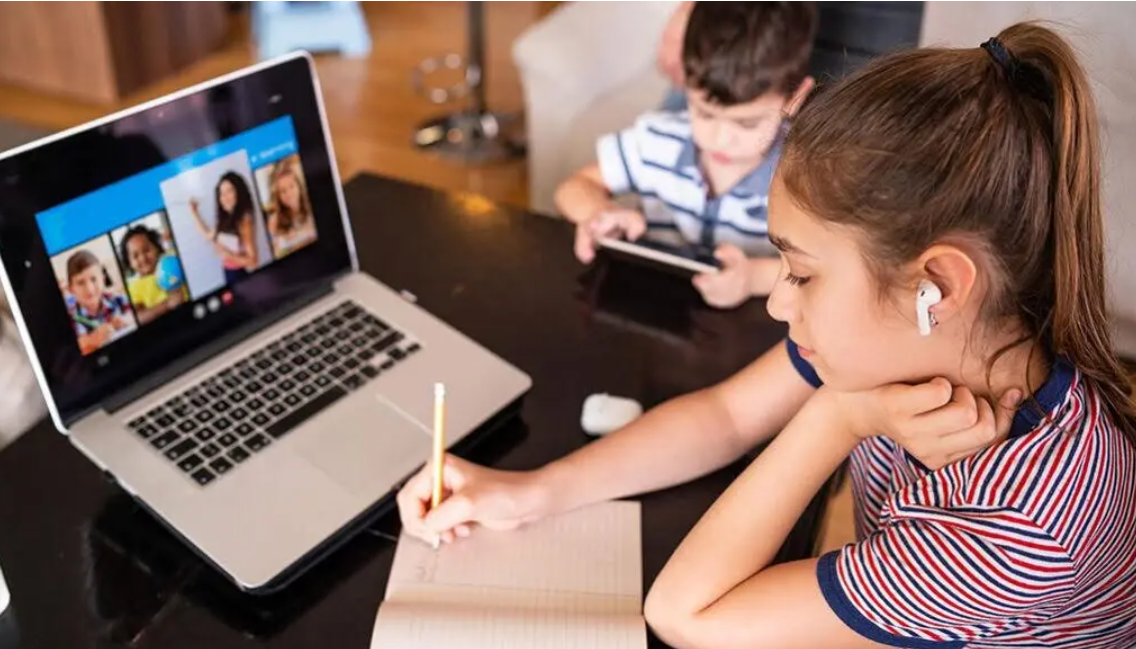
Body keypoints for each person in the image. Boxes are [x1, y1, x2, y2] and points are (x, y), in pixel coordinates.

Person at [400, 22, 1136, 646]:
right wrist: (530, 492)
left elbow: (684, 611)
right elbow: (726, 415)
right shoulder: (932, 339)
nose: (780, 303)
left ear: (935, 285)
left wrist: (842, 417)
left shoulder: (1018, 530)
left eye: (803, 273)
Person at [556, 2, 818, 308]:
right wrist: (598, 213)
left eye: (746, 123)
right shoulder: (659, 140)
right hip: (654, 310)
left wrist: (753, 278)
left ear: (795, 97)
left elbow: (823, 271)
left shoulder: (805, 177)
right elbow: (573, 188)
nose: (719, 139)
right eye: (705, 114)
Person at [189, 171, 259, 283]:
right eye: (221, 193)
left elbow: (253, 260)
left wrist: (227, 254)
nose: (224, 198)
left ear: (238, 192)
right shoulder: (225, 219)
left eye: (229, 191)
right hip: (228, 271)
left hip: (239, 274)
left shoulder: (244, 220)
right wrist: (194, 212)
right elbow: (208, 235)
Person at [63, 250, 133, 355]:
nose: (89, 289)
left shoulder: (118, 300)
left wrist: (125, 320)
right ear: (71, 289)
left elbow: (135, 314)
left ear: (103, 279)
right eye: (80, 283)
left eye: (94, 279)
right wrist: (91, 339)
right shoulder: (71, 318)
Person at [119, 225, 186, 324]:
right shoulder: (135, 287)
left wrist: (171, 235)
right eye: (135, 256)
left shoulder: (170, 258)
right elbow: (138, 317)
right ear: (130, 263)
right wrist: (167, 304)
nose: (143, 258)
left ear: (157, 248)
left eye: (146, 250)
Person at [265, 158, 318, 259]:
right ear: (278, 196)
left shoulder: (312, 206)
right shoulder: (274, 221)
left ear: (299, 186)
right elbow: (275, 255)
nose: (289, 194)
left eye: (292, 186)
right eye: (283, 191)